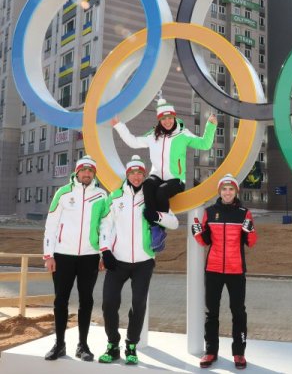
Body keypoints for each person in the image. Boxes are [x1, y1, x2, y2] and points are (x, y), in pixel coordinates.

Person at [97, 155, 179, 364]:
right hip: (117, 260)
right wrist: (105, 250)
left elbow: (174, 222)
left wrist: (157, 217)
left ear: (144, 175)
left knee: (138, 304)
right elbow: (106, 226)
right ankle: (112, 344)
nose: (136, 176)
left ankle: (131, 346)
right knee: (108, 303)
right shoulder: (114, 197)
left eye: (140, 173)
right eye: (132, 173)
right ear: (127, 175)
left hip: (143, 261)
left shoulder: (152, 197)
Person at [42, 155, 108, 362]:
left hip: (90, 256)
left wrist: (103, 253)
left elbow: (105, 226)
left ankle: (83, 345)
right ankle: (59, 344)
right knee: (60, 300)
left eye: (90, 171)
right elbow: (51, 225)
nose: (86, 174)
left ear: (94, 173)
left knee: (86, 300)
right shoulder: (62, 193)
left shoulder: (101, 195)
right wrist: (48, 255)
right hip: (63, 255)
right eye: (83, 170)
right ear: (77, 172)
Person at [111, 97, 217, 225]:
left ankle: (162, 226)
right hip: (157, 176)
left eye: (170, 118)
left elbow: (205, 144)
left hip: (175, 179)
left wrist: (210, 125)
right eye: (163, 118)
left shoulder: (183, 134)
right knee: (148, 185)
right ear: (159, 120)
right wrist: (117, 124)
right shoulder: (153, 136)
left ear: (174, 117)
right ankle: (151, 222)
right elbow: (133, 142)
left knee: (161, 191)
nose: (167, 121)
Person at [192, 174, 257, 370]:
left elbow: (251, 243)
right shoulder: (210, 212)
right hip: (213, 269)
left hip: (236, 270)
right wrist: (197, 232)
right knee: (211, 312)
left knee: (238, 312)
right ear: (219, 191)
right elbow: (205, 241)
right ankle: (210, 351)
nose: (227, 193)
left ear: (236, 192)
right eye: (224, 189)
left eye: (231, 189)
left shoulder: (244, 213)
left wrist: (250, 230)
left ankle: (239, 353)